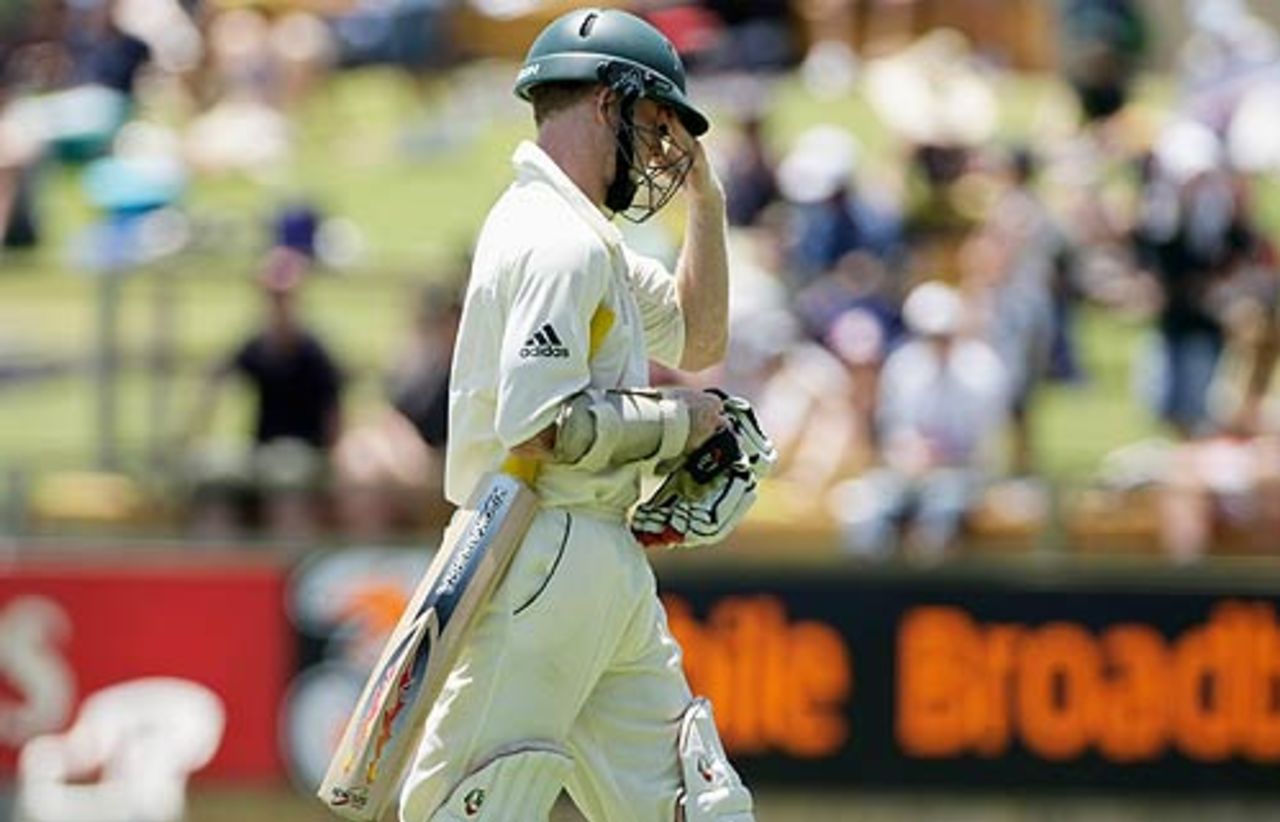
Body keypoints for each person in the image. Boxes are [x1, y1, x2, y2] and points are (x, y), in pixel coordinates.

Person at [398, 8, 753, 822]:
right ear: (606, 104)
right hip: (542, 543)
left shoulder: (584, 236)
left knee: (693, 805)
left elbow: (700, 338)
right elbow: (539, 425)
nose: (664, 149)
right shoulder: (559, 241)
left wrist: (708, 202)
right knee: (461, 808)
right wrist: (679, 425)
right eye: (656, 122)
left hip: (593, 555)